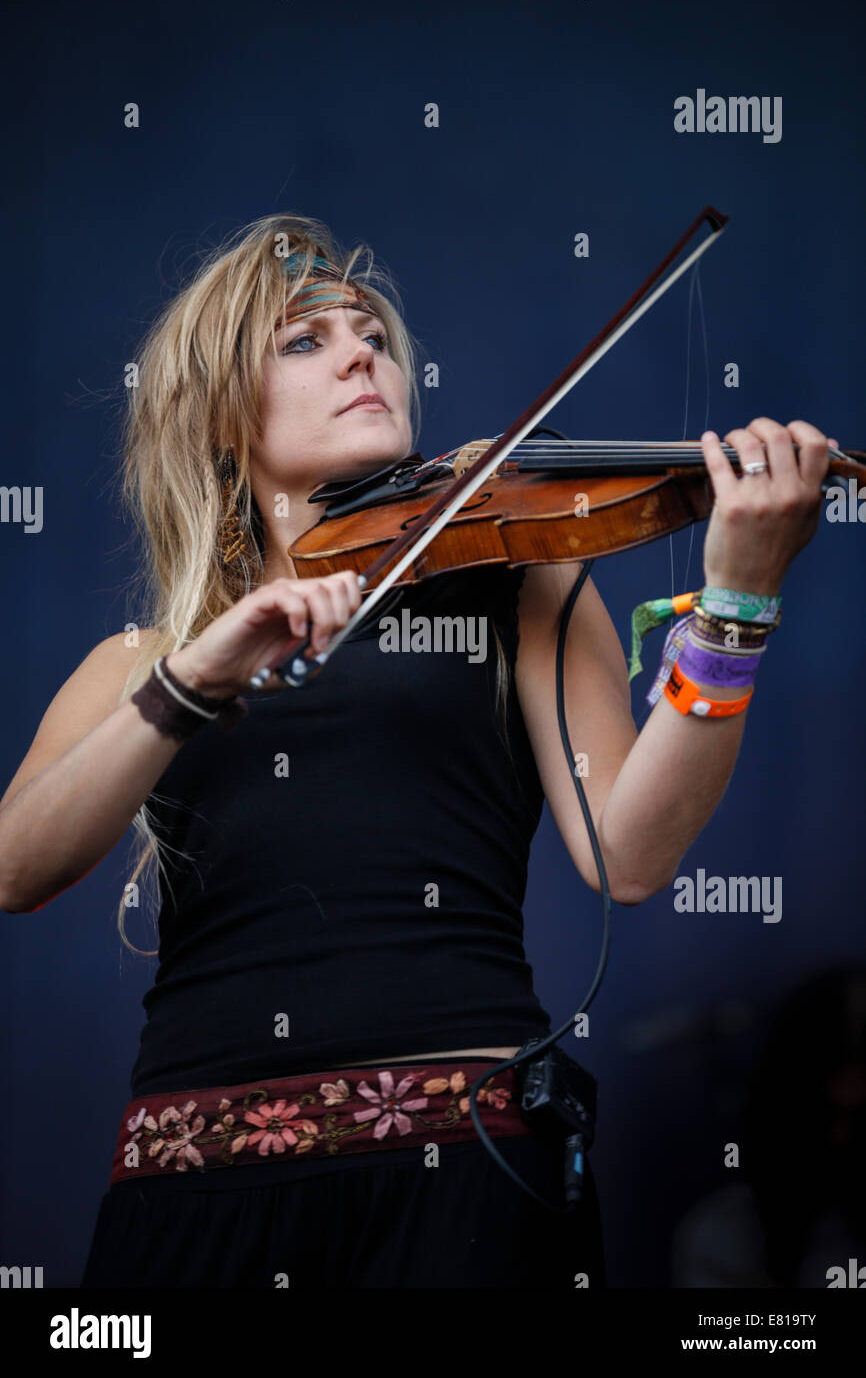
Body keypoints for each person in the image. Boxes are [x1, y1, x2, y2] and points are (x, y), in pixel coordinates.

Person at [0, 212, 835, 1289]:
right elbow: (17, 869)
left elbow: (629, 855)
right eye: (303, 340)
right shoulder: (139, 662)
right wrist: (192, 681)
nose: (363, 353)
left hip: (467, 1160)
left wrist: (736, 602)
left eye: (373, 336)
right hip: (196, 1173)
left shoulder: (517, 578)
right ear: (214, 422)